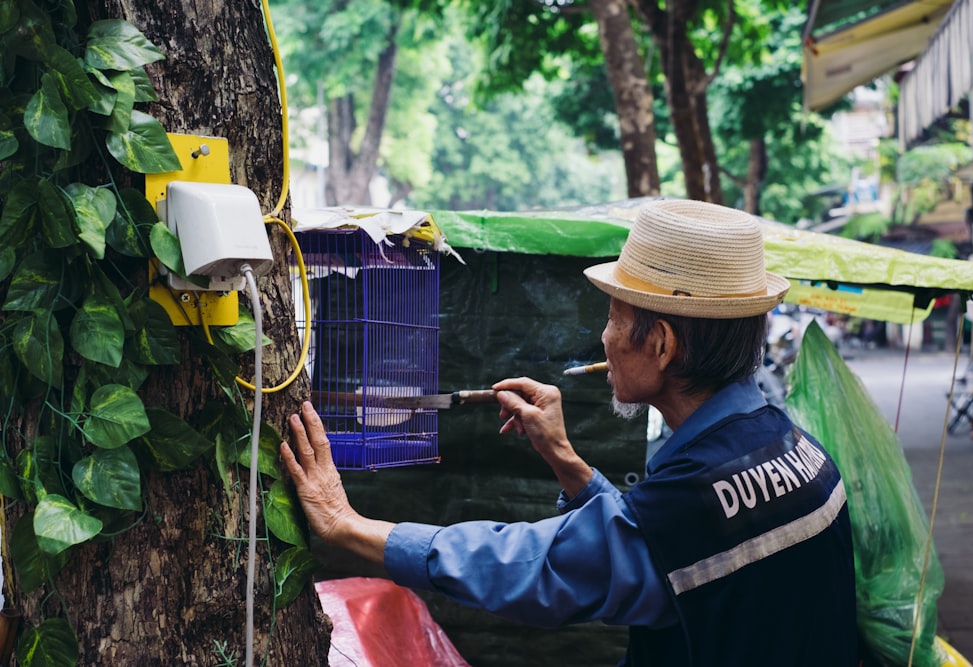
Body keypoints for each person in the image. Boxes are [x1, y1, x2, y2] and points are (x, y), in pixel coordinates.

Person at [280, 199, 858, 666]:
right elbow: (651, 547)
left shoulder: (696, 495)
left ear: (661, 345)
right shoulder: (793, 448)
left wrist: (347, 525)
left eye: (612, 318)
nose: (604, 339)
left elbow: (533, 568)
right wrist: (566, 462)